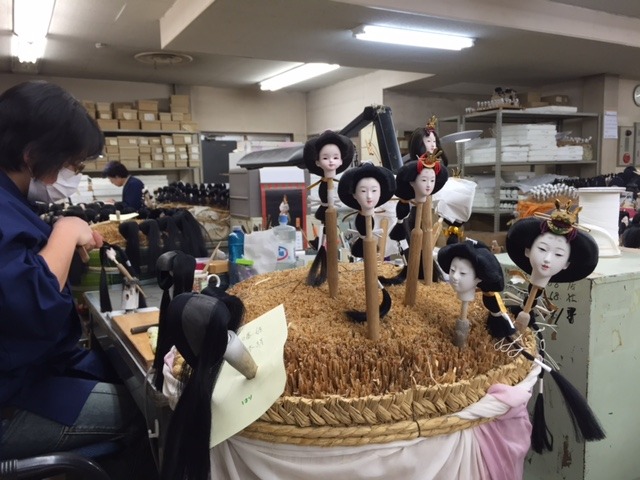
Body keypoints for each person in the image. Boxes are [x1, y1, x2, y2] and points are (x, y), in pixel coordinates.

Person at [0, 81, 156, 478]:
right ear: (32, 156)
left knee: (122, 373)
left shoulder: (13, 202)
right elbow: (31, 305)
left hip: (29, 372)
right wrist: (66, 231)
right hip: (12, 397)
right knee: (148, 408)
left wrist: (58, 249)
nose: (73, 175)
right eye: (72, 165)